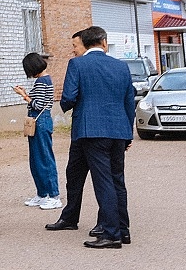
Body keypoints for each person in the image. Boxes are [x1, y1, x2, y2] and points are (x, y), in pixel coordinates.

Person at [46, 27, 135, 248]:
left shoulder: (77, 64)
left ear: (85, 43)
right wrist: (128, 133)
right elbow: (129, 101)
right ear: (103, 42)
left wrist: (69, 107)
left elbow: (68, 96)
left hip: (91, 130)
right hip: (118, 130)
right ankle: (123, 230)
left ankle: (111, 234)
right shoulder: (121, 66)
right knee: (117, 180)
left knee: (102, 181)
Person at [14, 52, 61, 210]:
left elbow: (38, 105)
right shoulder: (44, 80)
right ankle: (42, 194)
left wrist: (24, 95)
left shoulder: (42, 81)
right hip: (39, 122)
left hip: (40, 122)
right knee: (36, 159)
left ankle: (53, 195)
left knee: (44, 159)